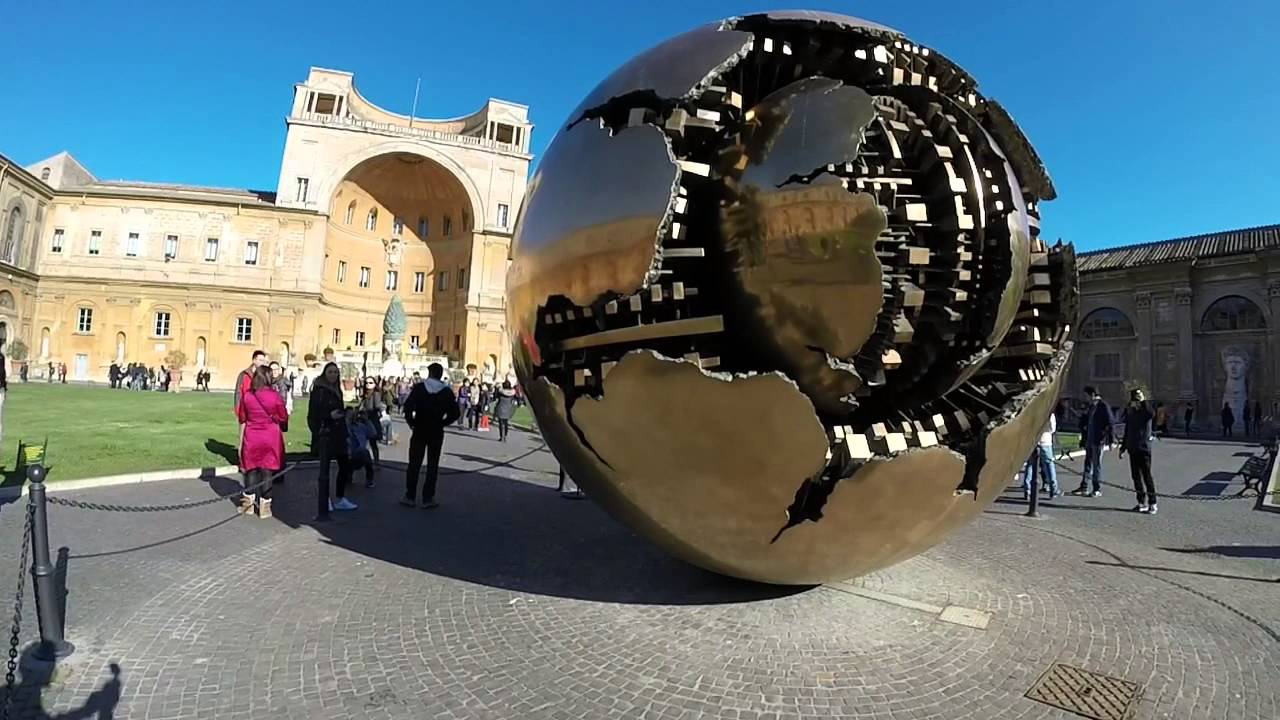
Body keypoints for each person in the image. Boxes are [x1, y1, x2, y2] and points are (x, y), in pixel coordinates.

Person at [402, 363, 460, 509]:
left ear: (429, 373)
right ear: (440, 374)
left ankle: (410, 495)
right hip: (436, 430)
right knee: (432, 465)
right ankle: (428, 497)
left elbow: (408, 406)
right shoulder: (446, 392)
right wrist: (443, 422)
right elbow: (455, 413)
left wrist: (411, 422)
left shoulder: (420, 388)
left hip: (420, 428)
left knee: (414, 463)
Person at [237, 365, 288, 518]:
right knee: (267, 471)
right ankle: (265, 507)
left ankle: (249, 505)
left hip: (252, 436)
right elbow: (283, 416)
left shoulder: (247, 396)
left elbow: (242, 417)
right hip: (270, 436)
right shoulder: (275, 396)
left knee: (251, 470)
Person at [307, 362, 355, 520]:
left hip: (339, 432)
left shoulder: (337, 390)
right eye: (330, 372)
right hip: (326, 434)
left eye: (335, 372)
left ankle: (340, 498)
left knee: (344, 465)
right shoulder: (319, 391)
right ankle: (325, 500)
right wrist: (329, 416)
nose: (333, 375)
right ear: (325, 373)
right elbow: (313, 414)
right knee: (324, 469)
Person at [1119, 388, 1158, 515]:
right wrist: (1123, 447)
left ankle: (1153, 503)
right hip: (1133, 448)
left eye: (1136, 400)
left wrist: (1143, 401)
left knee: (1147, 476)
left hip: (1144, 448)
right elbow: (1127, 431)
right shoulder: (1131, 413)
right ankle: (1141, 502)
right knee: (1136, 477)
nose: (1134, 403)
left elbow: (1152, 414)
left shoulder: (1145, 412)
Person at [1074, 386, 1114, 497]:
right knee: (1087, 463)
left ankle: (1097, 488)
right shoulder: (1091, 406)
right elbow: (1086, 421)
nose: (1084, 398)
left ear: (1092, 395)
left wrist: (1110, 440)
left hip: (1098, 440)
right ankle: (1084, 486)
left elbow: (1110, 423)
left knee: (1096, 465)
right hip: (1089, 439)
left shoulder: (1103, 406)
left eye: (1086, 395)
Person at [1022, 413, 1059, 500]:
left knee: (1030, 465)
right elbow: (1052, 428)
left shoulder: (1033, 411)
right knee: (1049, 465)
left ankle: (1027, 489)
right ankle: (1053, 490)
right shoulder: (1049, 413)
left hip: (1032, 441)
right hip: (1045, 441)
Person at [358, 377, 387, 482]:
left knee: (373, 443)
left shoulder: (375, 394)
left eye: (370, 383)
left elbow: (376, 407)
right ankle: (364, 462)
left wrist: (366, 410)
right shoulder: (365, 394)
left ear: (375, 384)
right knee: (363, 443)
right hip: (364, 420)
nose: (368, 384)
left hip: (372, 421)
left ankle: (376, 462)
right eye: (366, 382)